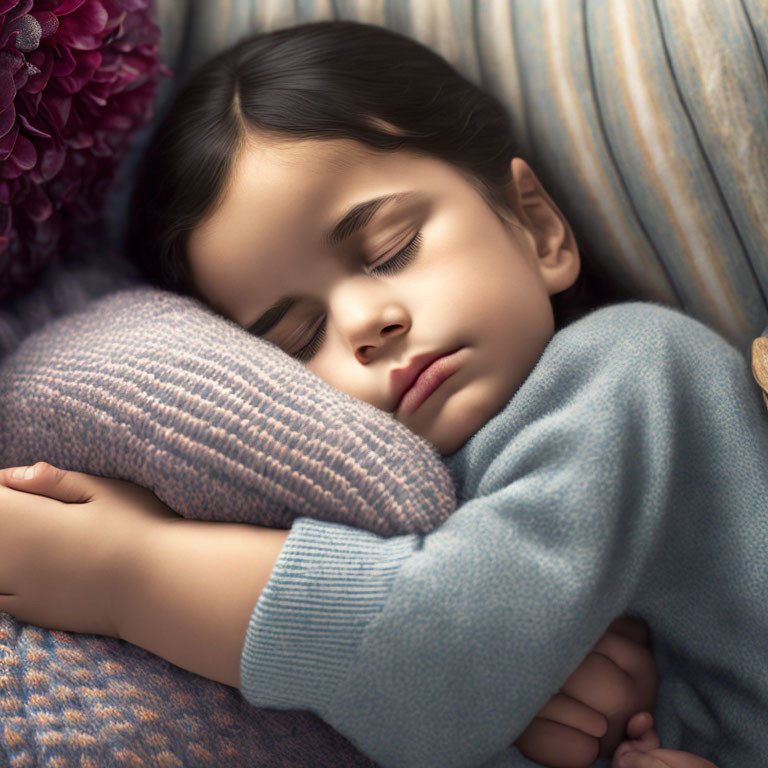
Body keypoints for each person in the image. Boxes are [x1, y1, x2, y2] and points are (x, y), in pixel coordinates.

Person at [0, 20, 763, 768]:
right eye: (298, 338)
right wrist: (529, 697)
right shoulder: (396, 497)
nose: (368, 323)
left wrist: (126, 571)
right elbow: (457, 682)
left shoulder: (632, 368)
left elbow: (445, 649)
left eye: (391, 250)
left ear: (536, 226)